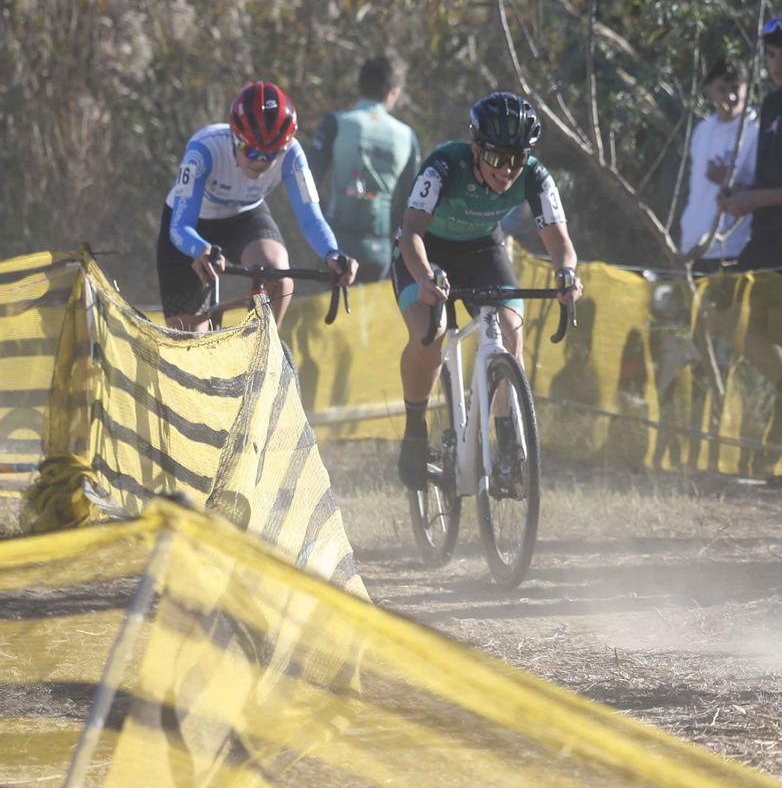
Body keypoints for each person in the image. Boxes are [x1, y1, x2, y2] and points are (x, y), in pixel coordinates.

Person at [394, 92, 583, 488]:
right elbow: (411, 232)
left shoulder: (536, 176)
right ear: (476, 146)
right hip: (426, 250)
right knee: (432, 332)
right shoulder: (444, 165)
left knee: (511, 331)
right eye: (498, 157)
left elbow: (561, 244)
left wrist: (566, 274)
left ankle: (508, 440)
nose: (508, 171)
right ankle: (414, 432)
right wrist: (426, 279)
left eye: (517, 159)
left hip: (482, 249)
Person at [158, 81, 357, 331]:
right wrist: (200, 248)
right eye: (250, 151)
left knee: (279, 278)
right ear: (234, 137)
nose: (260, 161)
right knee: (189, 341)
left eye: (270, 154)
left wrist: (333, 254)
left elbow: (311, 219)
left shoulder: (293, 156)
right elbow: (180, 226)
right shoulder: (204, 149)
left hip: (244, 216)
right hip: (192, 226)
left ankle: (263, 354)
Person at [719, 16, 782, 468]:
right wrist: (739, 194)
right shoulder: (771, 104)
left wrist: (755, 199)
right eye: (772, 54)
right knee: (723, 317)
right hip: (763, 234)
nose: (780, 63)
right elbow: (769, 171)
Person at [309, 53, 421, 283]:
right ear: (393, 91)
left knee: (330, 317)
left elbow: (309, 182)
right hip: (380, 248)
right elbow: (411, 200)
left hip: (336, 243)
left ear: (360, 85)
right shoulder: (406, 136)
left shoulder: (336, 123)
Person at [680, 59, 758, 272]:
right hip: (692, 244)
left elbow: (765, 191)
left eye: (736, 88)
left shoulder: (755, 132)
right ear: (709, 91)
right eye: (722, 89)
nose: (730, 97)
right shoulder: (702, 130)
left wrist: (728, 180)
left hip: (731, 248)